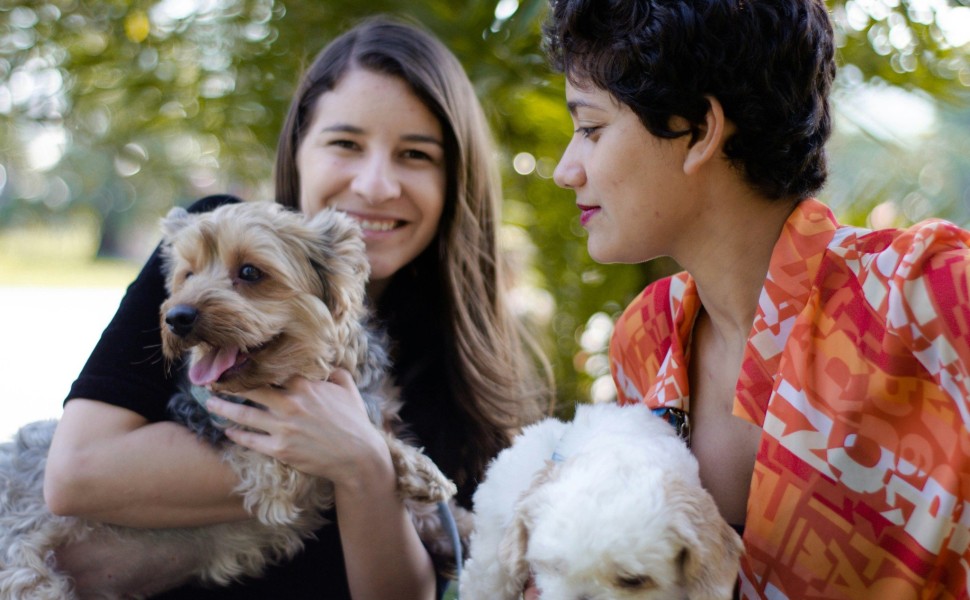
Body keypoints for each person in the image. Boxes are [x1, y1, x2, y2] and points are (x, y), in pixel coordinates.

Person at [43, 15, 549, 600]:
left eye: (415, 154)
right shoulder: (208, 237)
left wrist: (362, 464)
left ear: (455, 180)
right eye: (345, 143)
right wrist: (340, 458)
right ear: (299, 149)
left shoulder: (459, 371)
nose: (376, 184)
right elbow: (75, 474)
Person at [541, 0, 970, 598]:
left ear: (697, 130)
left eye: (590, 128)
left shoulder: (927, 296)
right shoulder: (646, 337)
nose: (566, 170)